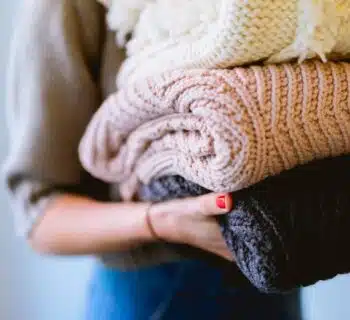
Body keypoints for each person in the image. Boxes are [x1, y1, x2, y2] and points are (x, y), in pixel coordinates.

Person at [2, 0, 301, 319]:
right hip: (158, 289)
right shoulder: (65, 7)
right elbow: (40, 218)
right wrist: (160, 222)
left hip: (274, 272)